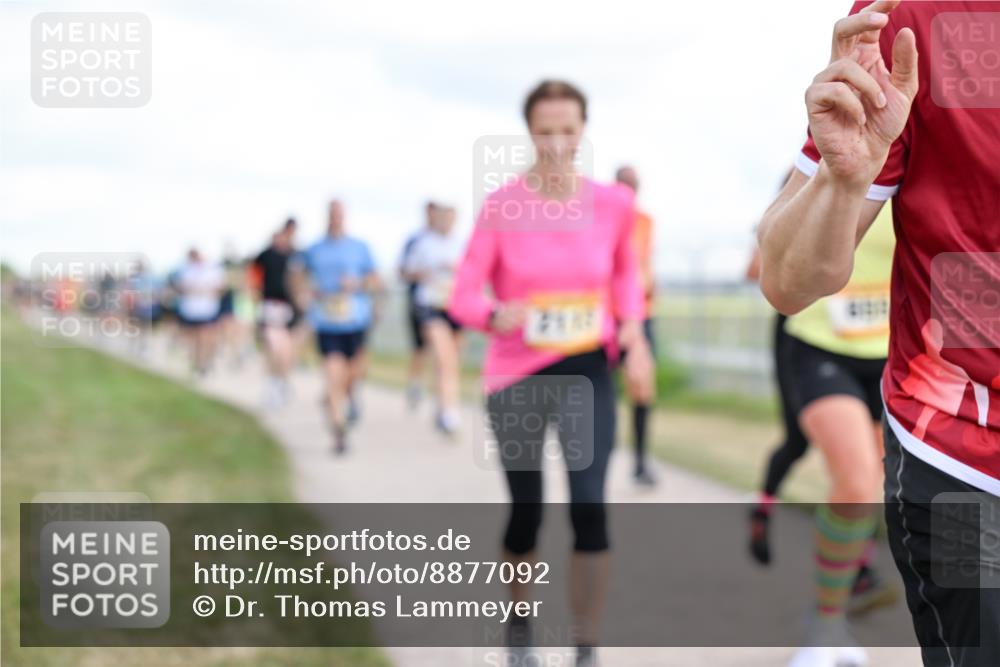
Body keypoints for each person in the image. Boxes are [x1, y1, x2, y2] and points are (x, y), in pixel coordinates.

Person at [757, 2, 999, 666]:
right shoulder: (903, 27)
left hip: (880, 350)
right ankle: (827, 621)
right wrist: (842, 181)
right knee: (856, 474)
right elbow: (781, 278)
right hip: (944, 424)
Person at [449, 80, 653, 667]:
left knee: (589, 504)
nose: (558, 144)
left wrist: (634, 334)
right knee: (527, 510)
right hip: (515, 374)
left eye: (568, 131)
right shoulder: (501, 206)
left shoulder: (613, 204)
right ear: (529, 132)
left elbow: (624, 278)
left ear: (583, 130)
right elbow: (463, 293)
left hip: (588, 364)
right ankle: (519, 626)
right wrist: (493, 313)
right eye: (545, 132)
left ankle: (585, 645)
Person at [291, 200, 380, 455]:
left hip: (356, 319)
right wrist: (302, 294)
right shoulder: (314, 249)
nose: (336, 218)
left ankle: (345, 397)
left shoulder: (360, 247)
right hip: (327, 321)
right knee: (333, 374)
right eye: (332, 213)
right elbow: (297, 273)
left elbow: (375, 279)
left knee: (352, 375)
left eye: (340, 213)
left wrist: (358, 283)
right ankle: (339, 431)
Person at [614, 165, 658, 486]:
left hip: (641, 313)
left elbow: (645, 264)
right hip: (608, 315)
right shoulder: (602, 219)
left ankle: (641, 461)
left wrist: (649, 285)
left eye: (634, 185)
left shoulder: (645, 222)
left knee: (642, 387)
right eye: (624, 184)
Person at [403, 204, 464, 435]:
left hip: (455, 306)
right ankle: (449, 410)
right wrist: (427, 272)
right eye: (443, 216)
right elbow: (407, 271)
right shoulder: (422, 243)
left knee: (451, 361)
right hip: (430, 305)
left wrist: (456, 270)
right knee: (443, 355)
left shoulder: (462, 243)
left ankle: (442, 403)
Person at [252, 219, 300, 408]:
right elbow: (254, 275)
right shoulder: (265, 255)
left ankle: (280, 382)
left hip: (288, 308)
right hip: (270, 305)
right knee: (273, 347)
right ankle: (272, 385)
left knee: (286, 350)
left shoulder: (295, 256)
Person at [399, 203, 434, 410]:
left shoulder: (453, 240)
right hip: (419, 301)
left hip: (445, 302)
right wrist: (419, 274)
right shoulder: (415, 240)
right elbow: (402, 271)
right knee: (420, 347)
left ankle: (438, 390)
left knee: (442, 347)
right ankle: (415, 384)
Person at [175, 248, 224, 377]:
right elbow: (182, 287)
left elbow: (219, 288)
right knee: (194, 338)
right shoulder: (186, 270)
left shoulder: (213, 269)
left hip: (207, 309)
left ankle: (203, 363)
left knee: (204, 337)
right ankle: (198, 363)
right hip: (191, 310)